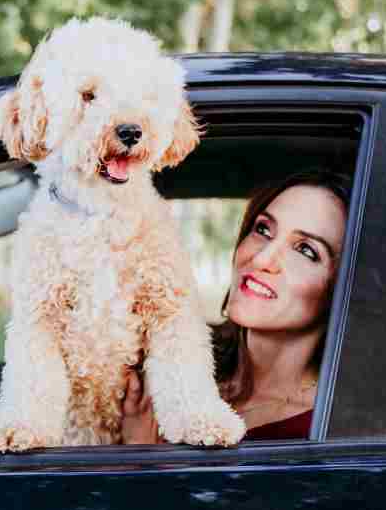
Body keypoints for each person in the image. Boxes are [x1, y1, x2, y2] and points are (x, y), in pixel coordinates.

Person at [121, 169, 350, 443]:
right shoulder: (171, 362)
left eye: (305, 250)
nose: (262, 259)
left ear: (342, 285)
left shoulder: (326, 431)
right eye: (263, 229)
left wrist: (140, 449)